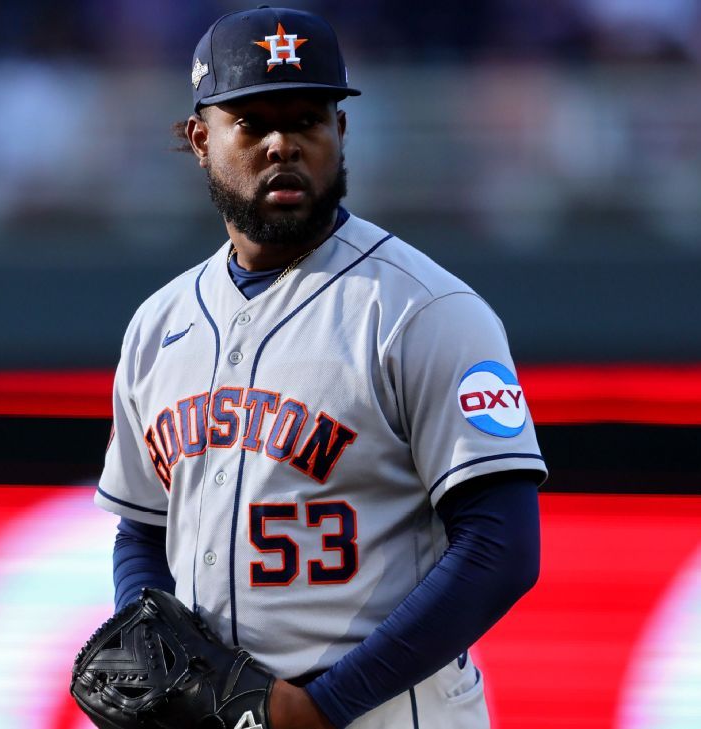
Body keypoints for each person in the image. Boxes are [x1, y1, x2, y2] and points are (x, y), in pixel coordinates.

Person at [94, 7, 546, 728]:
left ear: (341, 134)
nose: (283, 143)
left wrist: (320, 707)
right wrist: (153, 654)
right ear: (199, 139)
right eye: (252, 123)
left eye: (307, 119)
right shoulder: (158, 326)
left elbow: (503, 547)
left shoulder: (423, 310)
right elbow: (143, 528)